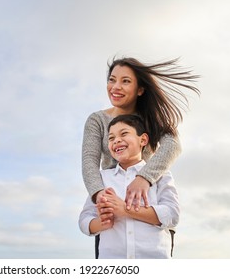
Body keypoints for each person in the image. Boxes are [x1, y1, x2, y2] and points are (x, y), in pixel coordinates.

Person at [81, 56, 199, 257]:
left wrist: (143, 178)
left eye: (125, 81)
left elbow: (173, 145)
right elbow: (88, 162)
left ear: (140, 89)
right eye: (112, 79)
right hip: (113, 222)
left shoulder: (151, 118)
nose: (115, 87)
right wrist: (103, 199)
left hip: (148, 211)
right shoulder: (97, 120)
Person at [79, 114, 180, 259]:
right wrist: (100, 223)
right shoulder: (102, 179)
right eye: (111, 138)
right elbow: (84, 219)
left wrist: (126, 210)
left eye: (124, 133)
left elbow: (172, 214)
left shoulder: (161, 175)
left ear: (143, 140)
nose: (116, 140)